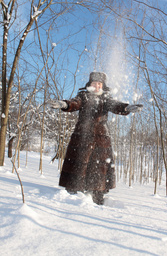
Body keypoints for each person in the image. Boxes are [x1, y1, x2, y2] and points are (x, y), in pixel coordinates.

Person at [49, 72, 142, 205]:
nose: (97, 86)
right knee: (78, 163)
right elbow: (74, 103)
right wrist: (64, 104)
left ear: (102, 85)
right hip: (82, 136)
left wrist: (126, 107)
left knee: (99, 166)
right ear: (90, 84)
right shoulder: (84, 96)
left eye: (99, 84)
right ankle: (73, 193)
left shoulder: (106, 98)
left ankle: (98, 195)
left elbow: (115, 105)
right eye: (94, 83)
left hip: (101, 138)